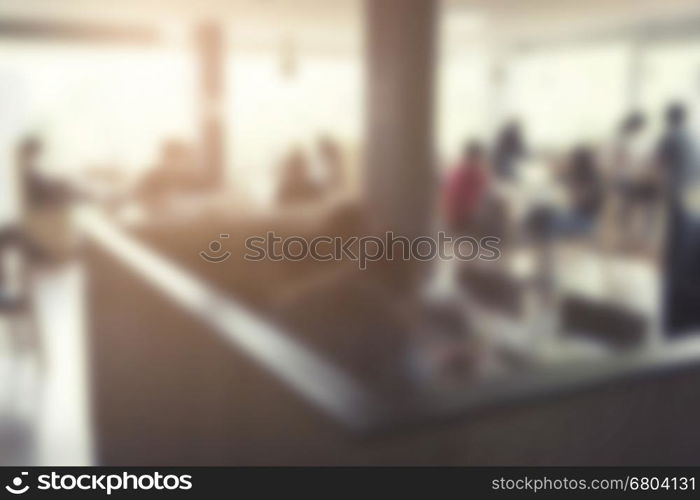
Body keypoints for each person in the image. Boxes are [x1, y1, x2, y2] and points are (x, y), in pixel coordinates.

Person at [443, 141, 489, 234]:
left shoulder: (458, 169)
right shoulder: (473, 171)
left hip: (452, 216)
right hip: (463, 217)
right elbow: (483, 189)